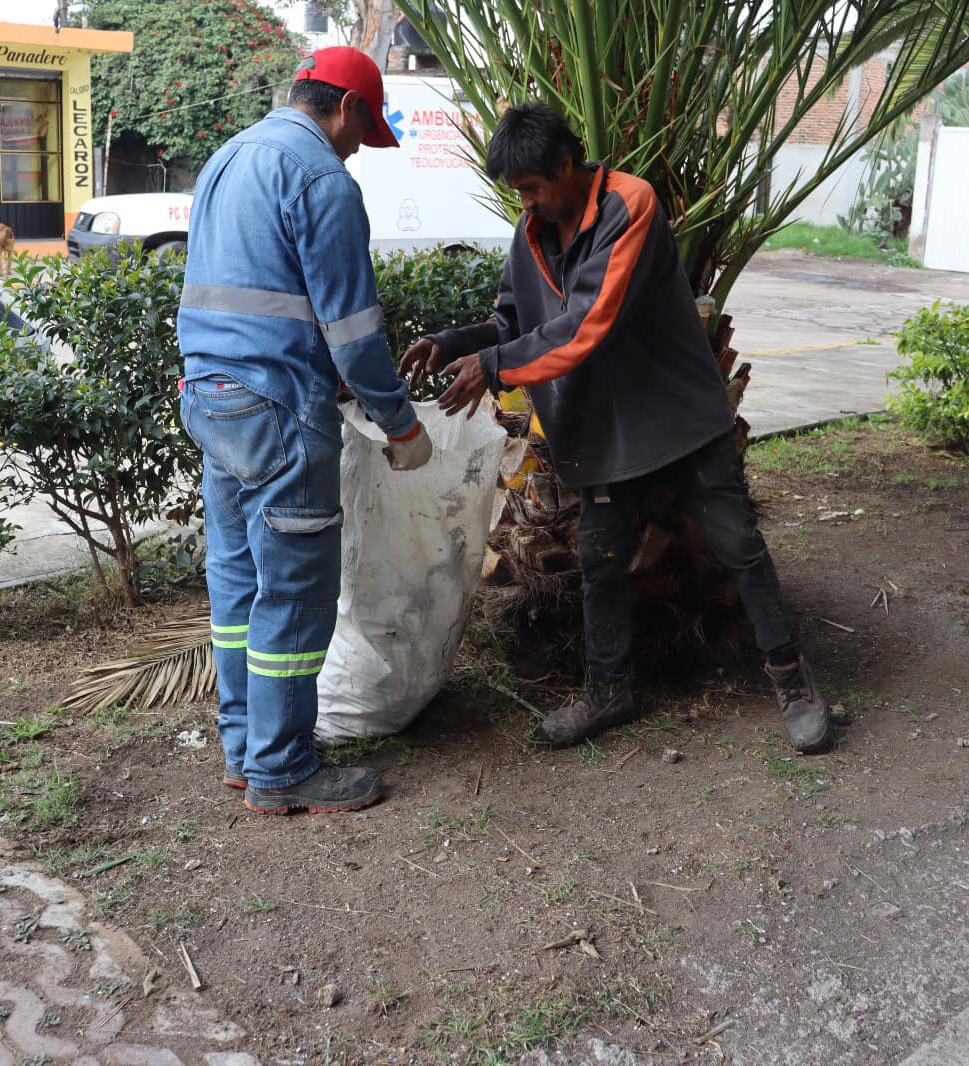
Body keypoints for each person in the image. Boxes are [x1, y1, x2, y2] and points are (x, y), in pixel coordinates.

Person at [400, 103, 832, 754]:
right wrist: (453, 342)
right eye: (517, 192)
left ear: (567, 165)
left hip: (679, 420)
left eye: (532, 187)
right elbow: (510, 323)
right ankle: (611, 691)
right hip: (603, 433)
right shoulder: (532, 230)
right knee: (598, 563)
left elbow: (586, 325)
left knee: (738, 543)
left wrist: (492, 367)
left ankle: (795, 684)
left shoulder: (631, 205)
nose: (526, 202)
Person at [177, 48, 431, 815]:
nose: (359, 148)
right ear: (346, 107)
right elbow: (353, 334)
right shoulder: (322, 179)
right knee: (292, 593)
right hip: (279, 410)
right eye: (364, 131)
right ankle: (282, 770)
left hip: (210, 398)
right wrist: (401, 423)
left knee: (236, 584)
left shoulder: (227, 157)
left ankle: (244, 749)